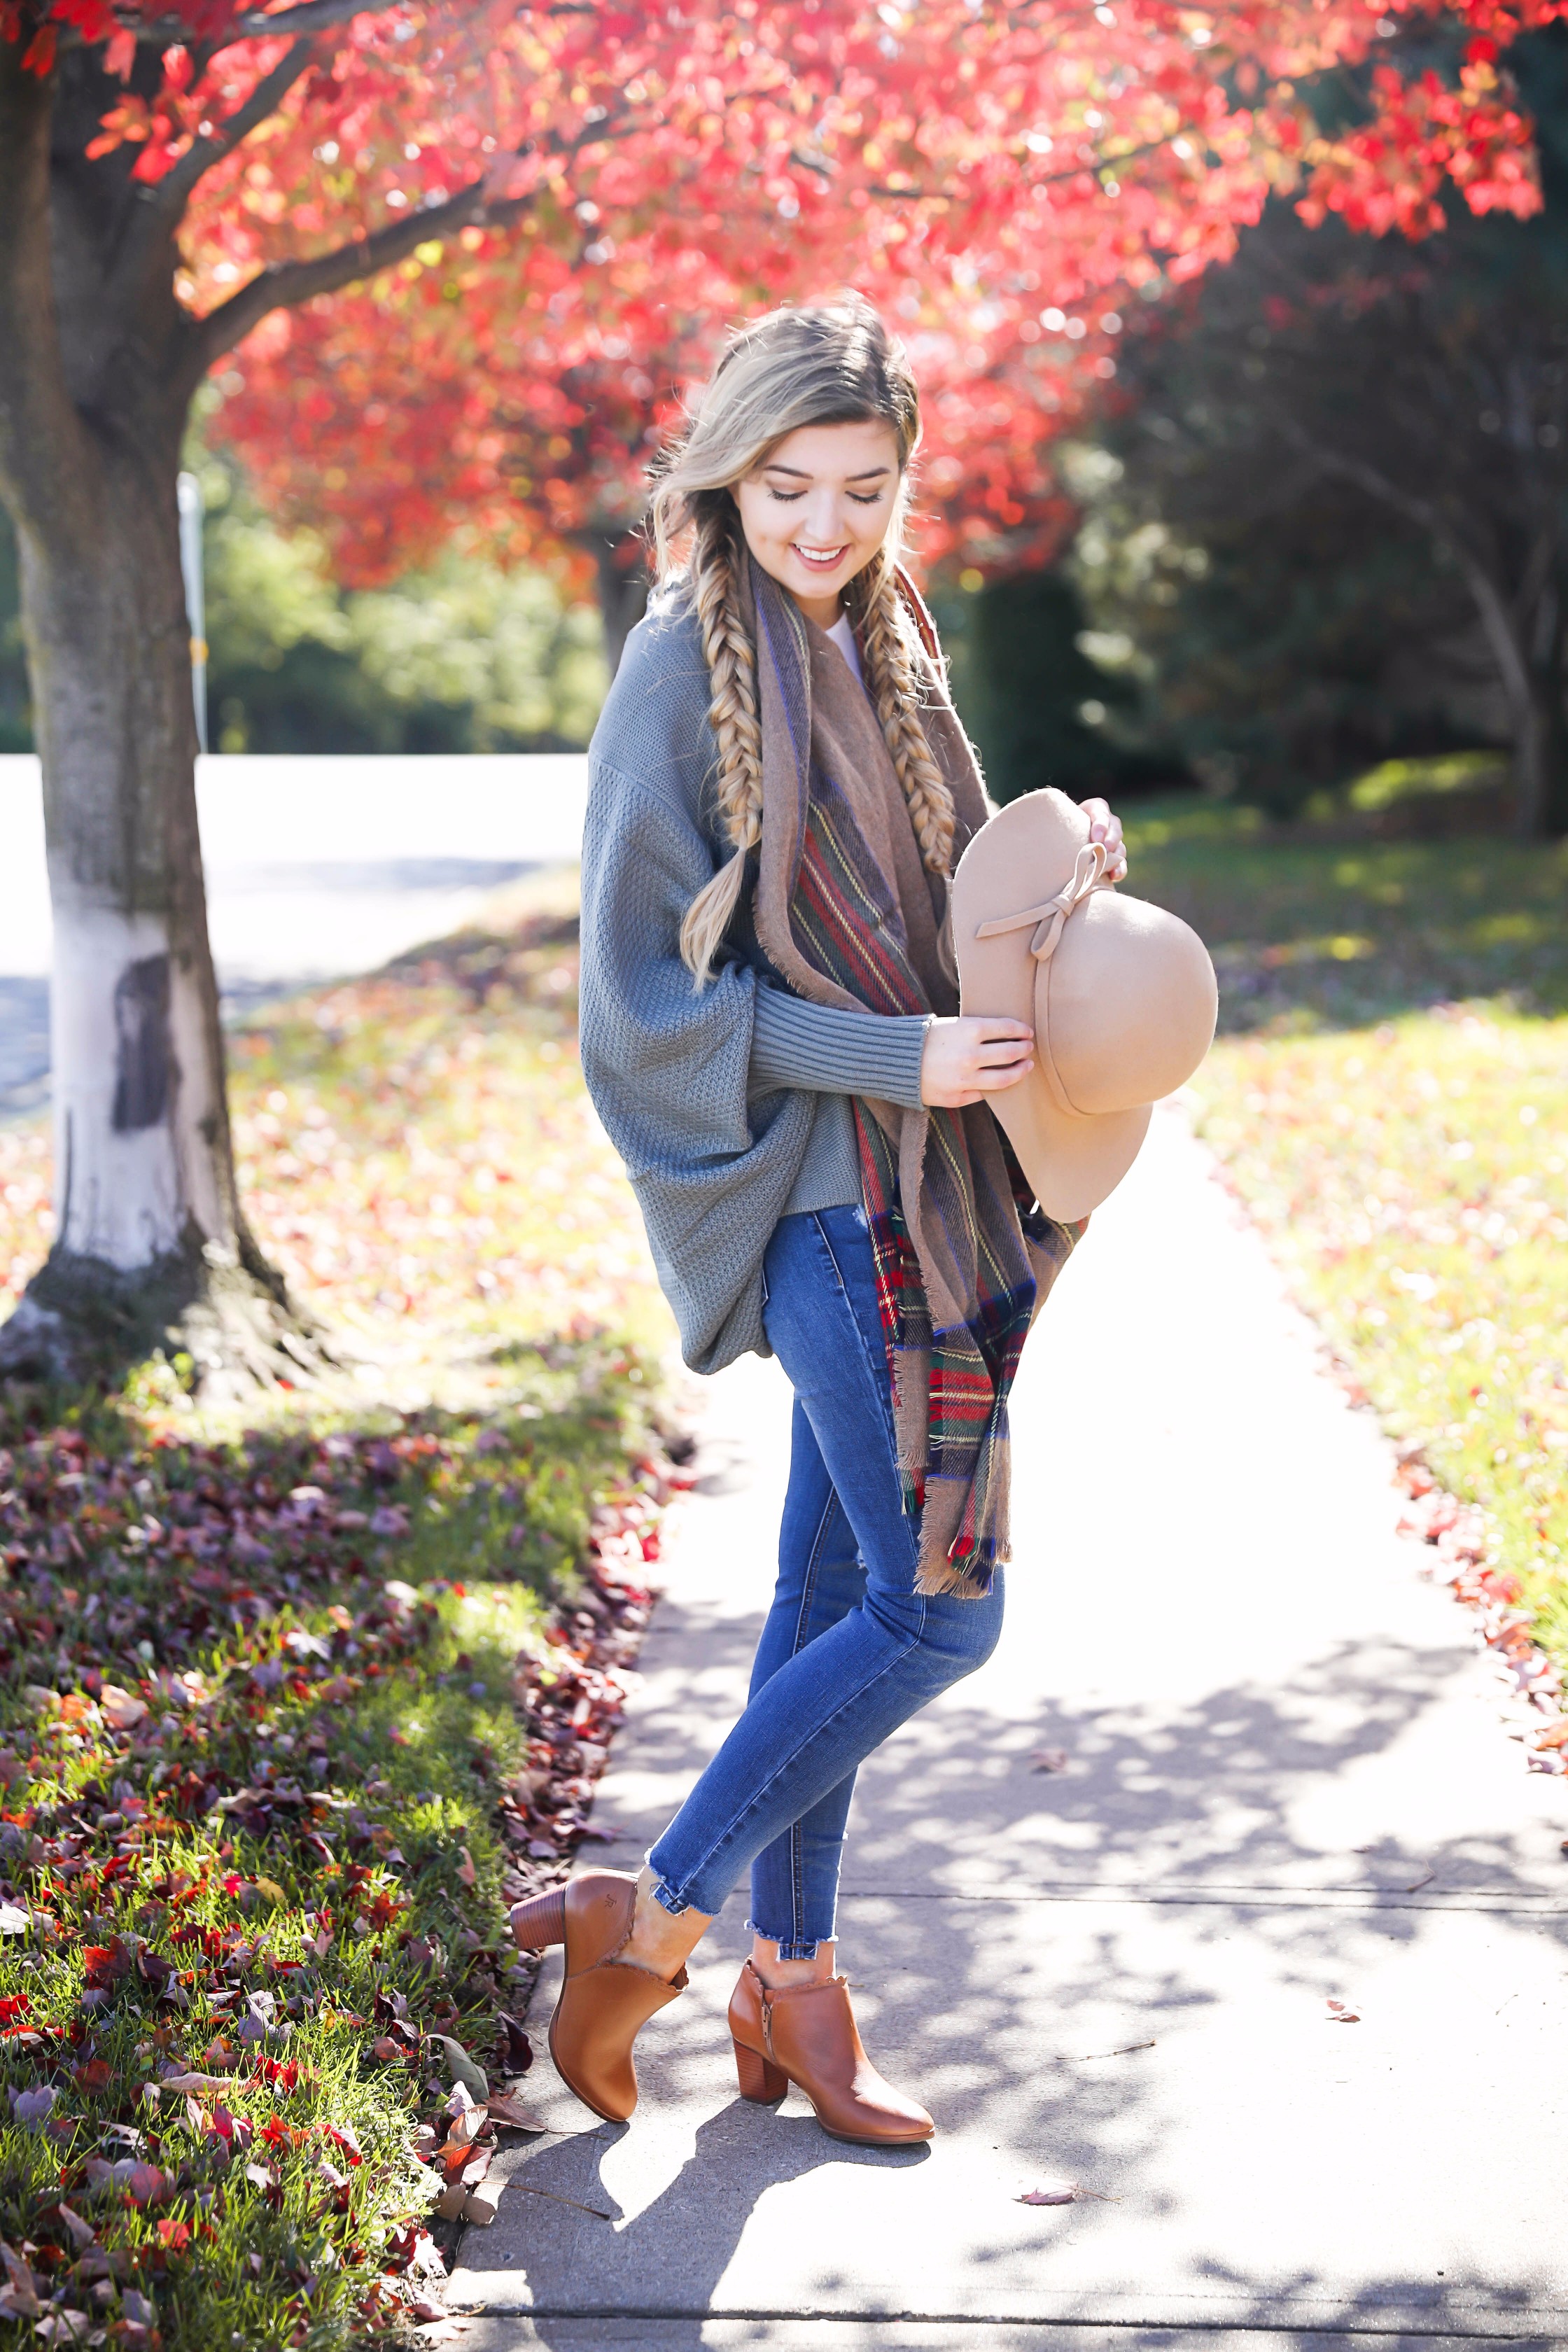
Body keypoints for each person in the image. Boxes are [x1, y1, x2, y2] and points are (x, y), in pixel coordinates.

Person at [511, 294, 1126, 2148]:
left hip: (933, 1192)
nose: (825, 526)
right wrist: (899, 1053)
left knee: (825, 1600)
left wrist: (1061, 858)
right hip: (822, 1201)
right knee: (943, 1620)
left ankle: (793, 1987)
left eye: (863, 489)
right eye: (789, 487)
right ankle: (656, 1911)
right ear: (728, 473)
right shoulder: (671, 675)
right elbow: (653, 1004)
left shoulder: (891, 647)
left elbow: (952, 908)